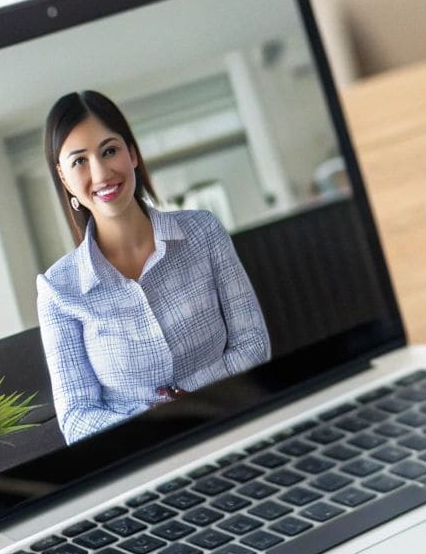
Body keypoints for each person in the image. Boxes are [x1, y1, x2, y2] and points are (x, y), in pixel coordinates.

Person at [35, 90, 271, 443]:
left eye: (109, 150)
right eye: (79, 161)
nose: (100, 173)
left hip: (234, 423)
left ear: (132, 154)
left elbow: (253, 344)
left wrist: (187, 398)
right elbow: (76, 418)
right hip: (141, 454)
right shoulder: (58, 289)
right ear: (64, 177)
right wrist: (151, 419)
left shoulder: (203, 231)